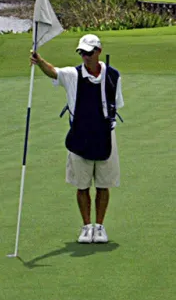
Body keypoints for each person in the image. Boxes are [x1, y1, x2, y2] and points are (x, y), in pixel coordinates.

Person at [30, 33, 123, 244]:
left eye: (89, 53)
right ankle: (86, 226)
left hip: (105, 135)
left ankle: (99, 226)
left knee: (103, 184)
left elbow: (115, 104)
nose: (85, 57)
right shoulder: (73, 75)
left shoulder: (113, 76)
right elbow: (53, 72)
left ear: (98, 52)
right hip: (80, 135)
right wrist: (39, 60)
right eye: (82, 53)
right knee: (82, 186)